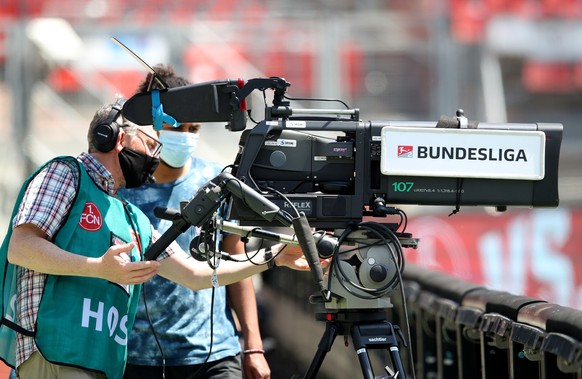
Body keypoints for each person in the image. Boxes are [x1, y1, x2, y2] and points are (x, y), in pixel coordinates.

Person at [0, 98, 318, 379]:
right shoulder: (65, 172)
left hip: (97, 361)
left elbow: (194, 275)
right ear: (118, 137)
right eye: (151, 143)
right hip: (54, 352)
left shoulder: (131, 216)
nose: (156, 155)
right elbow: (21, 246)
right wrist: (98, 267)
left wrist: (271, 257)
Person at [119, 64, 269, 379]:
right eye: (178, 127)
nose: (186, 137)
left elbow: (236, 262)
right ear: (152, 125)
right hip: (134, 359)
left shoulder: (220, 182)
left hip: (214, 357)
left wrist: (252, 346)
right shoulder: (120, 189)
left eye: (194, 129)